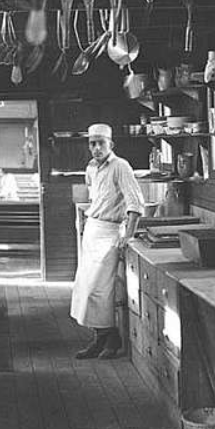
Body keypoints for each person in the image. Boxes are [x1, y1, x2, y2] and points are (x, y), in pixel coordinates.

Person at [71, 123, 144, 359]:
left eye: (101, 143)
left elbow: (135, 203)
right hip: (93, 231)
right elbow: (96, 198)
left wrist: (128, 235)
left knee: (98, 290)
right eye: (92, 143)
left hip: (110, 233)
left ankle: (112, 338)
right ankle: (99, 339)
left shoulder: (120, 166)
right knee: (85, 289)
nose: (96, 148)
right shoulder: (91, 168)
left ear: (110, 144)